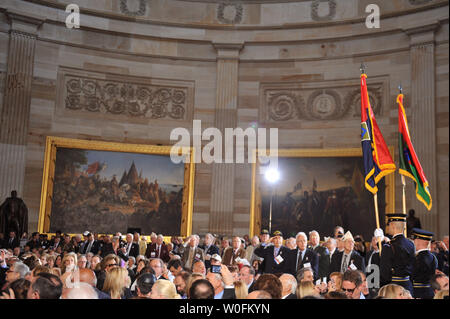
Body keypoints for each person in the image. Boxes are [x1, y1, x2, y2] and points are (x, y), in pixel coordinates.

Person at [380, 213, 415, 295]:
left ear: (392, 226)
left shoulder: (388, 246)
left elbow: (384, 274)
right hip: (408, 286)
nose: (387, 227)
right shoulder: (411, 244)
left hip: (394, 288)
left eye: (388, 225)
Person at [410, 228, 438, 299]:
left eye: (414, 240)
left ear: (418, 241)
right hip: (430, 291)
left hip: (418, 292)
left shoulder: (417, 258)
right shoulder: (433, 257)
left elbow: (411, 274)